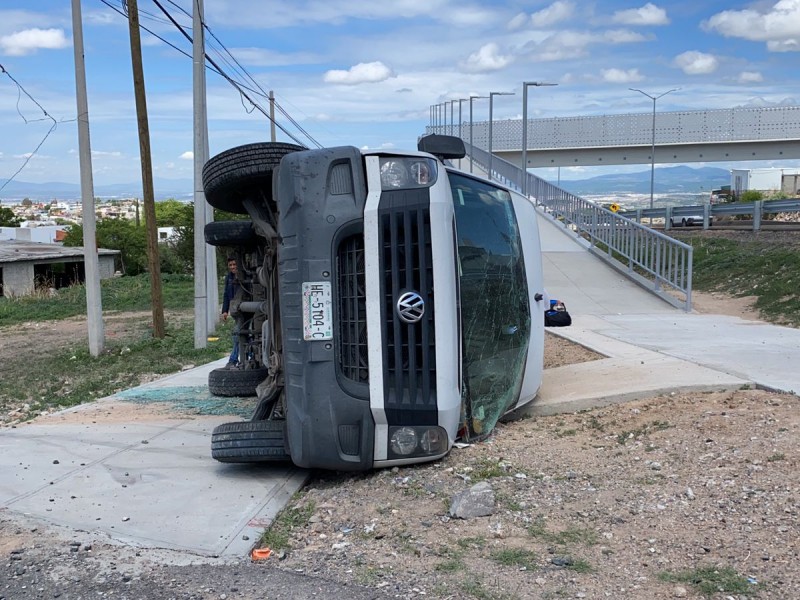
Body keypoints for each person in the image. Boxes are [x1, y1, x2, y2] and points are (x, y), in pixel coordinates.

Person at [221, 257, 240, 368]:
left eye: (234, 264)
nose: (233, 267)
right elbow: (226, 295)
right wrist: (225, 311)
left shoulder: (246, 276)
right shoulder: (229, 278)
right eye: (230, 265)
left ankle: (233, 360)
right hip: (235, 311)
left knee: (238, 334)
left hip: (249, 311)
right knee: (238, 335)